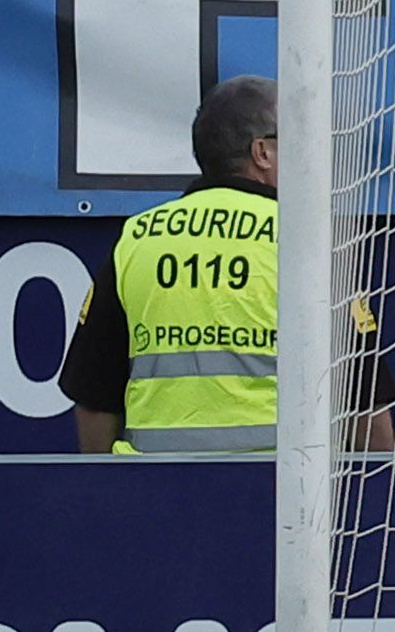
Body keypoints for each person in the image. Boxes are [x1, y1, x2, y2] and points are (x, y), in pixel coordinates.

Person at [58, 72, 295, 456]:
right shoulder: (304, 241)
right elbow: (365, 401)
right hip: (282, 498)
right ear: (262, 153)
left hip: (156, 495)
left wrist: (103, 495)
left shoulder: (138, 238)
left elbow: (94, 399)